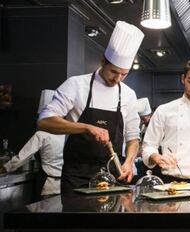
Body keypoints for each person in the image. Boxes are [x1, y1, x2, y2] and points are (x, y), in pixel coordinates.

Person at [37, 21, 144, 193]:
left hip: (113, 176)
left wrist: (129, 162)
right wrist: (86, 127)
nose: (117, 78)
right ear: (103, 62)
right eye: (113, 72)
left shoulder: (128, 94)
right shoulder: (76, 85)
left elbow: (133, 137)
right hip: (77, 176)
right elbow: (44, 122)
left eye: (124, 74)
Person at [0, 131, 65, 197]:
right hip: (66, 184)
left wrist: (5, 167)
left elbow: (23, 157)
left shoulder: (41, 134)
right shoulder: (66, 135)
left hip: (49, 185)